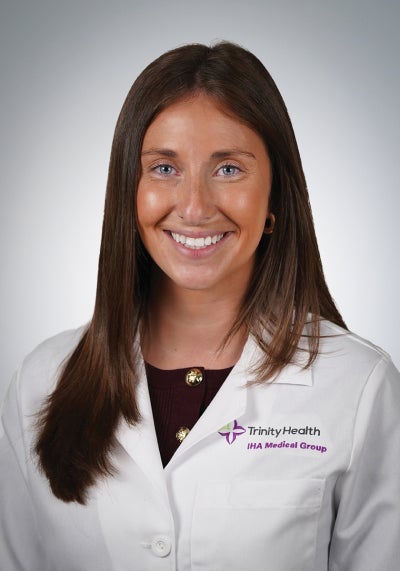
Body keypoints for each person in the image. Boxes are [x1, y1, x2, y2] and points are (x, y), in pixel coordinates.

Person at [1, 41, 399, 571]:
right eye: (164, 168)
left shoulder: (358, 387)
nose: (194, 207)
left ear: (275, 196)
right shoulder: (41, 381)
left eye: (228, 169)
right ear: (129, 191)